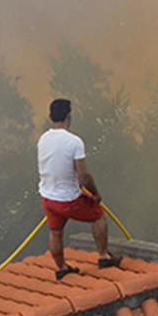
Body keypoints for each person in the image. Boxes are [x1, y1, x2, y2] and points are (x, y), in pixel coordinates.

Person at [38, 98, 121, 280]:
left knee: (55, 232)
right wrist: (96, 194)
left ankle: (61, 268)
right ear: (69, 116)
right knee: (98, 216)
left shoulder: (43, 139)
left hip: (48, 198)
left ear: (51, 116)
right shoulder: (74, 142)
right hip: (69, 199)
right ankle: (104, 256)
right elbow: (84, 176)